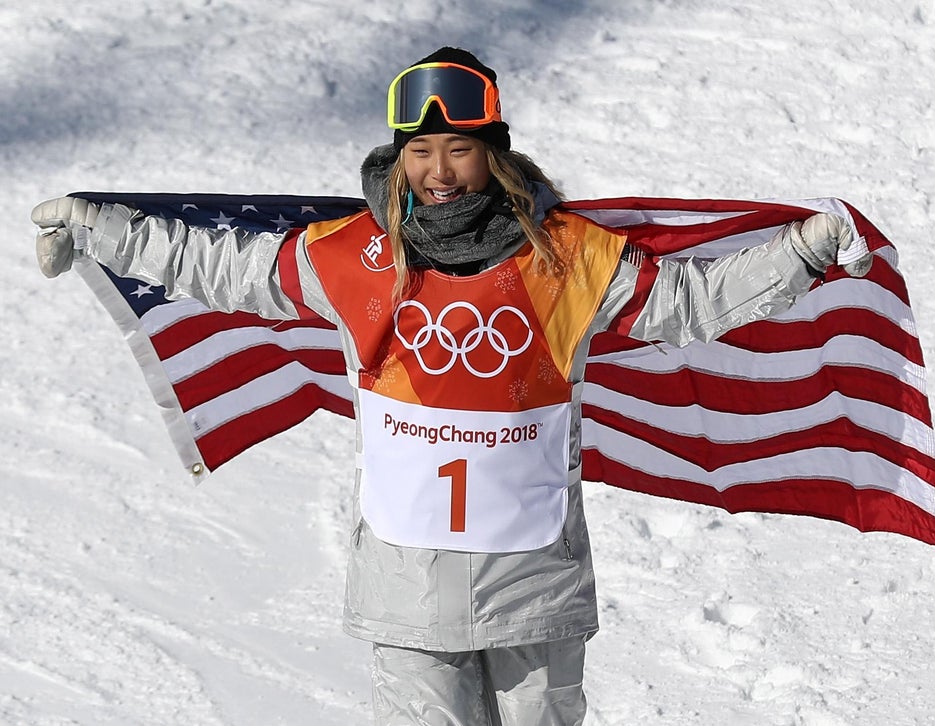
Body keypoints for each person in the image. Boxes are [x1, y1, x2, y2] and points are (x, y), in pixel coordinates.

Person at [31, 47, 871, 726]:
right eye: (420, 150)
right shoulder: (352, 256)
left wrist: (804, 249)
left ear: (493, 151)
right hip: (408, 586)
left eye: (459, 147)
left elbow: (687, 303)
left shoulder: (567, 256)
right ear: (398, 156)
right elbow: (223, 265)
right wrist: (100, 227)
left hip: (534, 580)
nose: (439, 169)